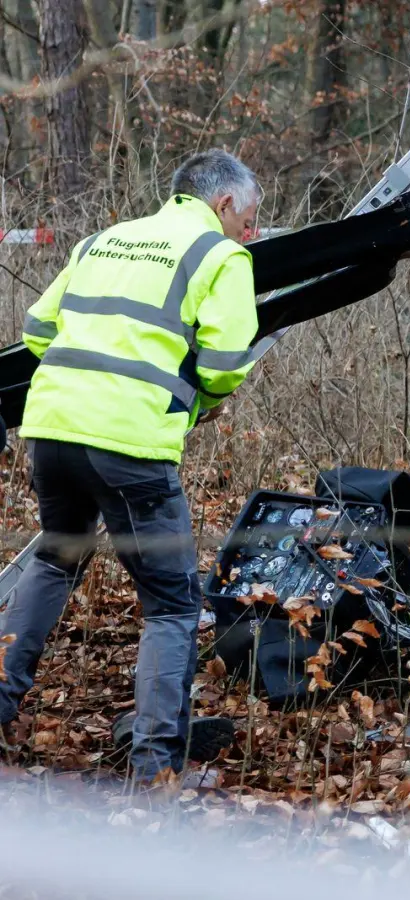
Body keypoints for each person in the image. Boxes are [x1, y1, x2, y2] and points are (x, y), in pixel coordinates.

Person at [0, 150, 261, 784]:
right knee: (171, 606)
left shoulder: (103, 240)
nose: (251, 232)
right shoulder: (221, 257)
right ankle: (155, 770)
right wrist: (199, 399)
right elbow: (226, 362)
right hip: (130, 447)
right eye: (249, 218)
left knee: (54, 559)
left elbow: (37, 330)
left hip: (52, 433)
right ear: (222, 205)